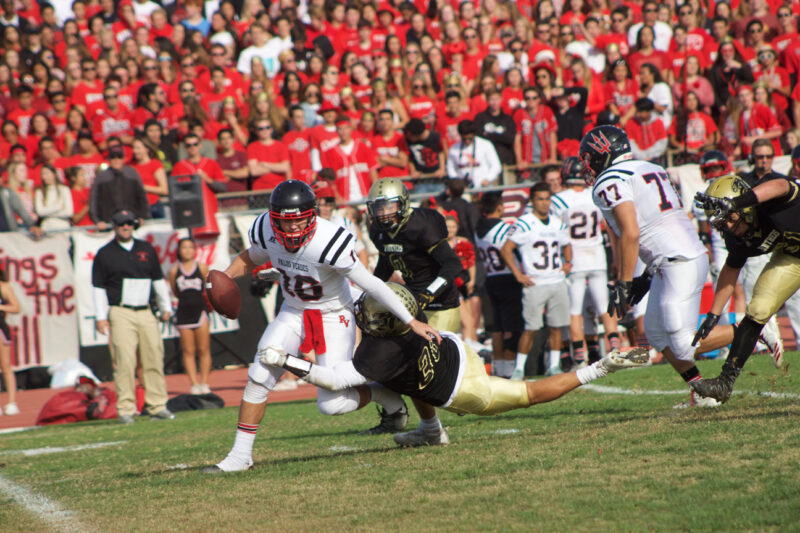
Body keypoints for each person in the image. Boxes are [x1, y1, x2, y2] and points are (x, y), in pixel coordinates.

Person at [203, 180, 440, 473]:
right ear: (273, 218)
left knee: (332, 405)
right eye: (284, 223)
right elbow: (251, 257)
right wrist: (224, 280)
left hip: (333, 315)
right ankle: (240, 457)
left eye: (298, 221)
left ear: (312, 215)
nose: (291, 230)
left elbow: (373, 283)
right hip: (293, 311)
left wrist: (411, 320)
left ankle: (385, 396)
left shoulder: (330, 241)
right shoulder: (265, 229)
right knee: (258, 375)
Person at [259, 282, 650, 446]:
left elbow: (329, 379)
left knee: (528, 393)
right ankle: (429, 430)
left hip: (464, 390)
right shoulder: (405, 319)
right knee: (407, 379)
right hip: (457, 349)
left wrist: (286, 360)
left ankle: (600, 367)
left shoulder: (376, 353)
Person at [580, 125, 731, 407]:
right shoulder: (650, 167)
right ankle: (702, 394)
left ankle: (755, 328)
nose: (587, 166)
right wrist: (643, 277)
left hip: (677, 261)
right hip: (677, 257)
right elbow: (657, 224)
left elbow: (632, 232)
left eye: (589, 158)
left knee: (683, 344)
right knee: (656, 333)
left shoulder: (608, 181)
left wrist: (624, 283)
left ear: (603, 154)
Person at [366, 177, 465, 444]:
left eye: (389, 207)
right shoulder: (378, 232)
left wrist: (428, 294)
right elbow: (386, 268)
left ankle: (445, 413)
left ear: (403, 204)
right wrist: (371, 291)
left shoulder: (422, 225)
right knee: (404, 366)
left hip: (440, 302)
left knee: (429, 368)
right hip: (413, 305)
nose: (384, 214)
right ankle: (425, 425)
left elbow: (453, 266)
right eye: (378, 208)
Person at [692, 174, 800, 403]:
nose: (730, 226)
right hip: (794, 257)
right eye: (724, 223)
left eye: (731, 217)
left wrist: (739, 203)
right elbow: (731, 269)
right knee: (759, 309)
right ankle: (724, 382)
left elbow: (782, 185)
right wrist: (713, 314)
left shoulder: (771, 201)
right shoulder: (739, 238)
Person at [91, 209, 175, 424]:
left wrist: (166, 306)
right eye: (121, 224)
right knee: (125, 360)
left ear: (134, 225)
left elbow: (158, 279)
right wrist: (100, 316)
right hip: (121, 311)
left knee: (154, 356)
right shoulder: (105, 253)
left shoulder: (146, 249)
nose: (126, 227)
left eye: (129, 223)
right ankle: (126, 408)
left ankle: (158, 405)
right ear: (114, 227)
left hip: (145, 310)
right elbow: (98, 288)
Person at [550, 157, 621, 367]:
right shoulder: (595, 195)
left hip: (574, 259)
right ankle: (615, 349)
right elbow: (609, 228)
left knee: (575, 310)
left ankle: (580, 358)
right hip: (597, 255)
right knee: (604, 307)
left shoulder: (559, 200)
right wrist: (615, 258)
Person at [500, 181, 573, 379]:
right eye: (540, 199)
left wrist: (568, 263)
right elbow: (506, 249)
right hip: (535, 283)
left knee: (557, 326)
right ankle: (519, 368)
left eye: (547, 199)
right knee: (531, 328)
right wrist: (518, 274)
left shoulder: (558, 222)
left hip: (556, 281)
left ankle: (555, 366)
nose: (544, 203)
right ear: (532, 201)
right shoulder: (524, 222)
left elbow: (567, 244)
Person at [475, 192, 523, 378]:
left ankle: (499, 370)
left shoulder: (478, 228)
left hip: (491, 278)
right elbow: (513, 251)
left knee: (497, 328)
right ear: (500, 207)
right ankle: (509, 370)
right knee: (512, 328)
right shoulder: (504, 228)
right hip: (508, 278)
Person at [168, 238, 213, 395]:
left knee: (203, 349)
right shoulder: (174, 271)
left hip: (200, 312)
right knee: (188, 350)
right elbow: (174, 291)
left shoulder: (201, 267)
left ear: (194, 250)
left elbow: (210, 289)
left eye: (190, 247)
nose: (187, 250)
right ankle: (194, 384)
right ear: (179, 251)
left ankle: (204, 383)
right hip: (183, 313)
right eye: (183, 248)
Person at [89, 147, 150, 229]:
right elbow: (94, 199)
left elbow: (142, 196)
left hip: (131, 220)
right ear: (109, 159)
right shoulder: (102, 177)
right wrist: (97, 221)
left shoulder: (132, 173)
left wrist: (143, 216)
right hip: (109, 223)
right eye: (113, 157)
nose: (116, 160)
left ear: (123, 159)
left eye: (119, 157)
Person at [445, 119, 502, 186]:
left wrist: (488, 179)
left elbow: (496, 166)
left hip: (483, 187)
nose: (467, 141)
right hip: (463, 189)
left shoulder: (486, 145)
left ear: (474, 135)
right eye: (464, 139)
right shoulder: (454, 149)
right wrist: (457, 182)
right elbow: (450, 168)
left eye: (470, 138)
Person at [0, 266, 20, 415]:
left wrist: (1, 307)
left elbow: (16, 307)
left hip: (0, 329)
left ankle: (12, 402)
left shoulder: (3, 286)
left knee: (6, 366)